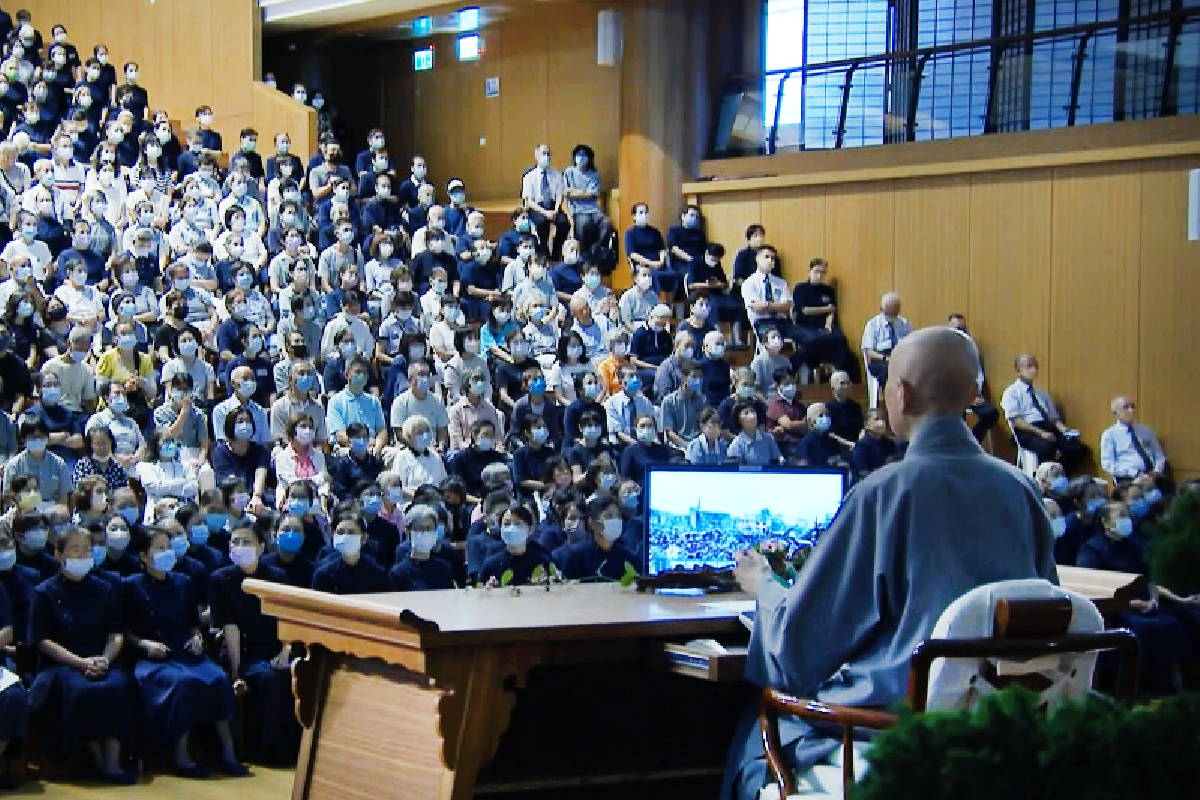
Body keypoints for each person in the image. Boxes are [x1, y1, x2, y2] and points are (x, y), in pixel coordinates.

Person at [722, 326, 1058, 800]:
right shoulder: (1021, 489)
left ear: (898, 393)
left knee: (755, 730)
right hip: (1002, 741)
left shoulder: (884, 493)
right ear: (972, 393)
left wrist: (765, 587)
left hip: (896, 740)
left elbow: (795, 653)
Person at [121, 526, 248, 777]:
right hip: (152, 657)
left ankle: (228, 752)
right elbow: (123, 630)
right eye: (159, 548)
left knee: (218, 679)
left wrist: (197, 638)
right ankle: (181, 755)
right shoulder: (130, 586)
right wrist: (144, 644)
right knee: (184, 684)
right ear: (144, 556)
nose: (166, 552)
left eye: (168, 547)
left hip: (186, 652)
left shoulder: (183, 582)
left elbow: (193, 623)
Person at [28, 526, 138, 783]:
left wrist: (105, 659)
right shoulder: (44, 593)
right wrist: (80, 663)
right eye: (76, 550)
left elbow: (116, 633)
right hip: (61, 664)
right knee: (81, 691)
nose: (83, 554)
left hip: (101, 659)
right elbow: (42, 641)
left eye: (87, 550)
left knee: (119, 686)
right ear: (59, 555)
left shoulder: (105, 588)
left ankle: (113, 761)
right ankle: (96, 759)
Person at [208, 525, 300, 765]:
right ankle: (266, 750)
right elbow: (230, 627)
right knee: (266, 678)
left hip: (274, 646)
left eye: (246, 542)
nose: (240, 547)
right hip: (242, 649)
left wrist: (285, 652)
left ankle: (293, 745)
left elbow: (286, 617)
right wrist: (236, 673)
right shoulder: (221, 579)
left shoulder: (277, 577)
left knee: (292, 673)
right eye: (235, 542)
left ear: (260, 546)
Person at [1000, 353, 1090, 475]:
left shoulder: (1042, 393)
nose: (1034, 369)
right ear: (1019, 370)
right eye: (1029, 366)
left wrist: (1065, 431)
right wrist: (1041, 433)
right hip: (1028, 431)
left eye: (1035, 366)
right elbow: (1016, 420)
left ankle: (1060, 475)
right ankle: (1044, 482)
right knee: (1047, 447)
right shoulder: (1011, 392)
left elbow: (1053, 418)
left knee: (1079, 449)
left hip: (1048, 427)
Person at [790, 258, 857, 379]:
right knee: (814, 340)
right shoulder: (800, 288)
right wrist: (826, 309)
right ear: (809, 271)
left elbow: (832, 311)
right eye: (816, 271)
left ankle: (838, 373)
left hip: (823, 326)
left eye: (823, 272)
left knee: (840, 339)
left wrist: (828, 325)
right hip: (805, 326)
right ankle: (799, 368)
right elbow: (805, 310)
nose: (819, 275)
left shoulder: (829, 290)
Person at [552, 495, 639, 581]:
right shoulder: (576, 556)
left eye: (617, 516)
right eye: (609, 516)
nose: (615, 520)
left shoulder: (628, 557)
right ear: (593, 523)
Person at [478, 504, 552, 587]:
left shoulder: (542, 560)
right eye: (506, 524)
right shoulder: (490, 566)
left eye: (517, 524)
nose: (511, 528)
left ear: (530, 529)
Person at [1099, 395, 1167, 483]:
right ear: (1115, 413)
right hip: (1128, 478)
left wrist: (1156, 472)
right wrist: (1136, 473)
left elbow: (1159, 455)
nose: (1131, 410)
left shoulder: (1146, 431)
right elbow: (1108, 464)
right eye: (1126, 407)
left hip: (1153, 476)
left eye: (1133, 407)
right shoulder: (1109, 434)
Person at [520, 144, 568, 259]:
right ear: (536, 155)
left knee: (564, 223)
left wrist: (555, 211)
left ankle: (556, 252)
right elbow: (529, 201)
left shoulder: (556, 174)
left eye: (548, 154)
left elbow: (559, 195)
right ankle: (543, 252)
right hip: (537, 207)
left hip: (553, 206)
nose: (546, 157)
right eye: (543, 154)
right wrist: (545, 213)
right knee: (541, 223)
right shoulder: (529, 176)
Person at [860, 292, 911, 389]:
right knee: (888, 369)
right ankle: (891, 398)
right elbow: (869, 352)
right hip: (880, 358)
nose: (891, 316)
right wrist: (886, 358)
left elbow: (910, 345)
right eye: (889, 312)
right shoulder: (873, 324)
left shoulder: (904, 324)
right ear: (882, 309)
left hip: (899, 355)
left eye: (894, 312)